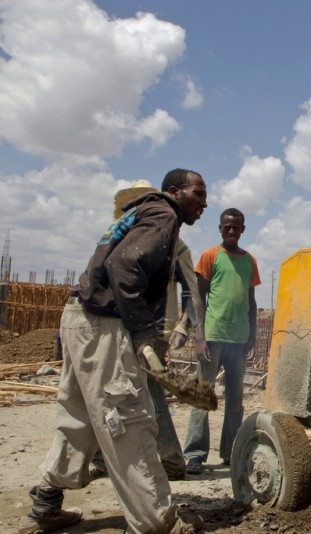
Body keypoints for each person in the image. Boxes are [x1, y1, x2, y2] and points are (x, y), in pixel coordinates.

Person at [19, 169, 208, 534]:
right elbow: (123, 267)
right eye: (198, 193)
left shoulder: (137, 215)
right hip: (105, 323)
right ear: (175, 192)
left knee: (81, 415)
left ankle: (45, 503)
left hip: (80, 316)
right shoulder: (163, 214)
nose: (204, 202)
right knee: (127, 418)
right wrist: (142, 334)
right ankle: (158, 521)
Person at [90, 186, 208, 482]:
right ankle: (101, 458)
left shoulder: (175, 245)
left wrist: (184, 326)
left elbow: (193, 294)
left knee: (152, 392)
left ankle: (170, 460)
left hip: (152, 330)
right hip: (120, 325)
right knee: (110, 389)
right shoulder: (125, 239)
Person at [183, 208, 260, 474]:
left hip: (238, 340)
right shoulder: (210, 256)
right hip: (213, 337)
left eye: (236, 226)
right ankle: (195, 454)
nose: (231, 230)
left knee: (235, 400)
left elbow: (251, 301)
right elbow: (197, 299)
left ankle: (231, 452)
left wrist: (253, 335)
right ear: (220, 228)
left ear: (243, 229)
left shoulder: (249, 260)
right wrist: (199, 336)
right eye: (227, 226)